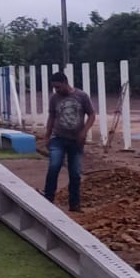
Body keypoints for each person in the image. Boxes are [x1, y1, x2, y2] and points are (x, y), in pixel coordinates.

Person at [43, 69, 96, 212]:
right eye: (54, 87)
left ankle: (74, 204)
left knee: (75, 172)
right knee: (54, 166)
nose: (56, 90)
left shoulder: (82, 96)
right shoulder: (54, 98)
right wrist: (47, 136)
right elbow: (52, 117)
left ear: (66, 83)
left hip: (76, 141)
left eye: (58, 87)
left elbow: (91, 115)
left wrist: (84, 132)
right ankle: (47, 200)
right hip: (58, 138)